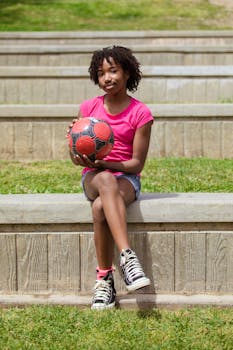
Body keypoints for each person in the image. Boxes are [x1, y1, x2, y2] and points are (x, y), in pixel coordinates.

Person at [68, 46, 153, 310]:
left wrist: (108, 162)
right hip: (93, 176)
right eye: (101, 73)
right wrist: (74, 143)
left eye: (113, 71)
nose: (107, 78)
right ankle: (128, 259)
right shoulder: (89, 108)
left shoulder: (141, 113)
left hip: (127, 178)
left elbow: (136, 163)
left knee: (100, 207)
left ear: (127, 73)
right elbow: (75, 159)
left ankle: (104, 280)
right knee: (104, 180)